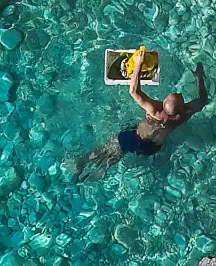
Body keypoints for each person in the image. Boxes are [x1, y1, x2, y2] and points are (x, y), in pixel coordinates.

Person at [71, 61, 208, 182]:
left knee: (111, 147)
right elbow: (202, 100)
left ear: (164, 103)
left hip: (135, 138)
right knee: (118, 151)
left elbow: (133, 91)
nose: (179, 93)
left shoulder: (155, 110)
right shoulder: (184, 114)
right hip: (153, 148)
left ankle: (85, 163)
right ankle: (101, 169)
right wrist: (199, 78)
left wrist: (138, 64)